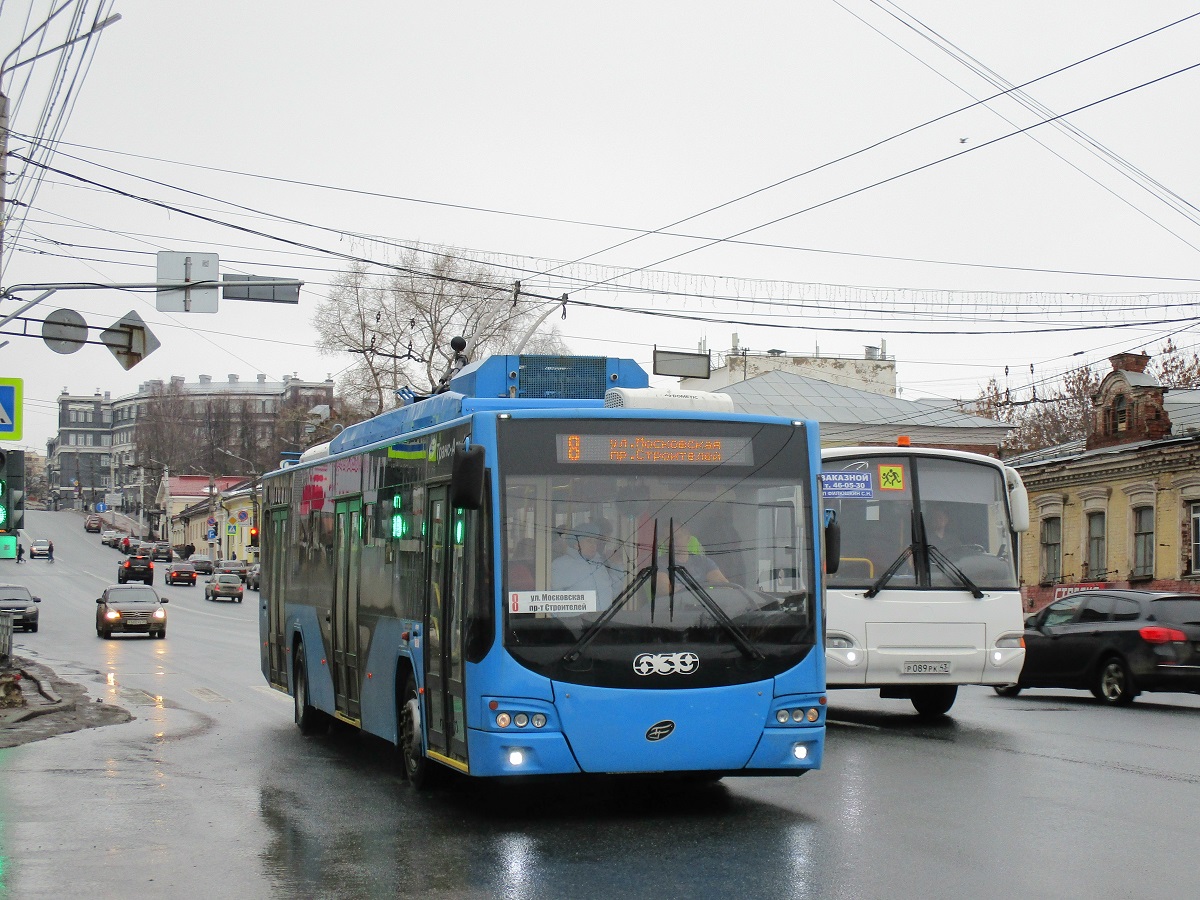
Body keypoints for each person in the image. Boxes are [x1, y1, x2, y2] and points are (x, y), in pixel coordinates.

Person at [551, 523, 618, 610]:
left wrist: (617, 565)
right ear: (576, 543)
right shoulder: (560, 565)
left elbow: (616, 592)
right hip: (577, 622)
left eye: (595, 542)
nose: (593, 545)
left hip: (605, 621)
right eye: (589, 541)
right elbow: (554, 602)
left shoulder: (600, 565)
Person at [657, 520, 728, 591]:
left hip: (705, 601)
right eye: (667, 538)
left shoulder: (703, 561)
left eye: (676, 537)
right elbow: (664, 589)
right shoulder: (660, 564)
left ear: (688, 538)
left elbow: (724, 585)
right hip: (679, 602)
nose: (671, 542)